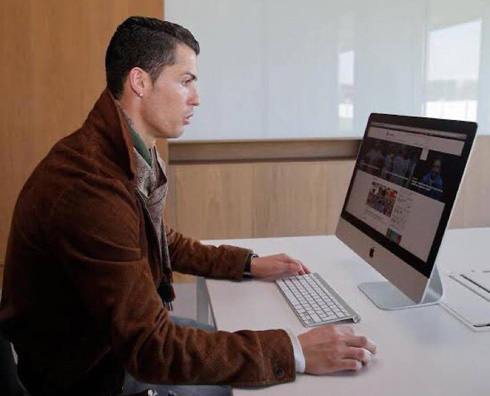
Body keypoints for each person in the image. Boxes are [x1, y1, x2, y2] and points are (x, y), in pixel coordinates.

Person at [0, 16, 376, 396]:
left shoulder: (127, 152)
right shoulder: (91, 188)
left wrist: (245, 263)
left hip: (107, 344)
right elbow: (152, 348)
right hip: (89, 375)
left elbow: (160, 239)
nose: (196, 97)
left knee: (223, 340)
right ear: (140, 82)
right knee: (248, 383)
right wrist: (294, 350)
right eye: (186, 81)